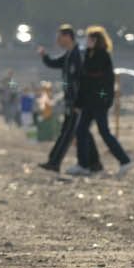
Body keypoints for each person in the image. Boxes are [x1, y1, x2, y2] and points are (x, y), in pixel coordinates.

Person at [37, 24, 101, 173]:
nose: (57, 41)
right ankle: (95, 163)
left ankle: (55, 162)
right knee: (80, 131)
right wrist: (44, 56)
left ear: (67, 37)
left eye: (59, 37)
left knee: (69, 132)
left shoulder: (78, 55)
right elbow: (53, 63)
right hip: (71, 101)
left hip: (77, 102)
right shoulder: (68, 55)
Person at [70, 26, 132, 176]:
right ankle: (83, 165)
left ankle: (125, 161)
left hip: (98, 102)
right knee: (81, 131)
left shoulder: (102, 56)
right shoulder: (89, 55)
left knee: (104, 132)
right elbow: (85, 82)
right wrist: (78, 103)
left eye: (90, 39)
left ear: (97, 40)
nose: (87, 41)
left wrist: (103, 99)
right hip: (88, 102)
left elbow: (98, 79)